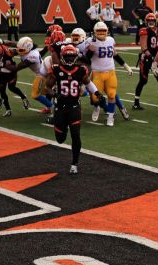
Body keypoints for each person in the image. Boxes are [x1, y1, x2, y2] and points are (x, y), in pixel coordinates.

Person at [46, 45, 105, 175]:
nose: (69, 59)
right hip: (60, 108)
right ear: (62, 57)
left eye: (71, 56)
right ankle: (60, 126)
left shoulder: (81, 70)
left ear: (76, 57)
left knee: (76, 135)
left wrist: (97, 93)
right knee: (60, 139)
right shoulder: (56, 70)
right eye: (67, 56)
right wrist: (54, 94)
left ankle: (74, 164)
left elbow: (88, 82)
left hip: (74, 107)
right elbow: (48, 87)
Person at [86, 22, 133, 127]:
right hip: (97, 73)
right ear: (94, 32)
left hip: (111, 72)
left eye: (103, 31)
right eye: (99, 31)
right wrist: (90, 51)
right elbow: (85, 59)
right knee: (95, 98)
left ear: (107, 31)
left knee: (112, 95)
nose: (101, 33)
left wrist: (126, 66)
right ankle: (97, 107)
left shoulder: (111, 40)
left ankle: (110, 117)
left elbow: (115, 55)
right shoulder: (90, 41)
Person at [133, 13, 158, 111]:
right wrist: (154, 58)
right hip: (146, 59)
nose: (151, 22)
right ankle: (136, 103)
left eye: (152, 20)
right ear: (146, 21)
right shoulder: (144, 30)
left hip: (155, 59)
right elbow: (144, 47)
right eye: (149, 20)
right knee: (143, 80)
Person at [0, 43, 29, 117]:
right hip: (1, 75)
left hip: (11, 73)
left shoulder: (8, 52)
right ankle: (8, 110)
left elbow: (20, 50)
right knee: (2, 92)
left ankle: (24, 98)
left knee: (12, 87)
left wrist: (27, 50)